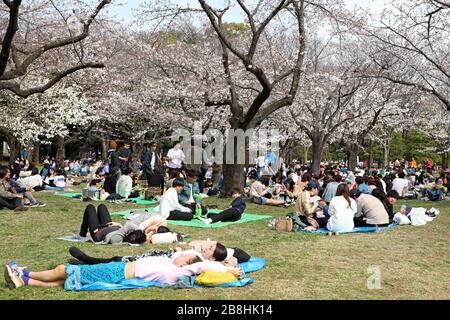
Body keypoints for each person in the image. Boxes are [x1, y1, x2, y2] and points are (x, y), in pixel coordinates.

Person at [4, 250, 243, 290]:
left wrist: (228, 271)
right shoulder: (173, 265)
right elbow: (198, 261)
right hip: (120, 271)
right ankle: (24, 282)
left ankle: (24, 274)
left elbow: (203, 265)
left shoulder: (178, 272)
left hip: (118, 272)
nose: (179, 254)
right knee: (64, 281)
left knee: (62, 270)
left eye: (184, 255)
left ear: (188, 262)